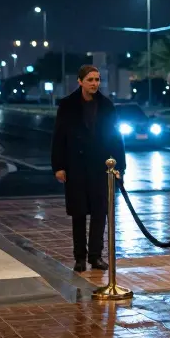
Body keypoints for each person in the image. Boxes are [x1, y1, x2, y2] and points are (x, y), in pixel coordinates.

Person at [50, 65, 125, 273]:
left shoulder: (107, 106)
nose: (94, 83)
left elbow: (115, 138)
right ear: (80, 81)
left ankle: (95, 256)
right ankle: (80, 258)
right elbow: (59, 138)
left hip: (100, 168)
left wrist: (120, 166)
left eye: (97, 80)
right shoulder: (67, 105)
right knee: (79, 214)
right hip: (75, 167)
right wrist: (58, 166)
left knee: (100, 213)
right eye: (90, 80)